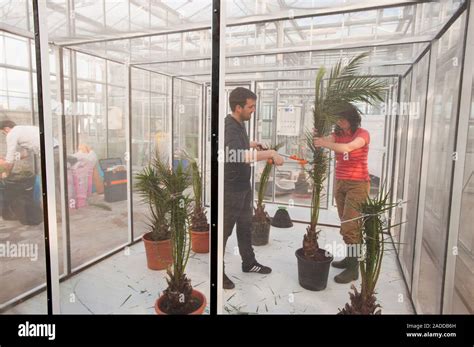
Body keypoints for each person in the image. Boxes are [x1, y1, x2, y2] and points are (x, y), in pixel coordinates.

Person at [223, 87, 284, 290]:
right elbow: (235, 155)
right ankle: (217, 271)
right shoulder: (230, 126)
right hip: (231, 190)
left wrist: (252, 144)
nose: (253, 110)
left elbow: (239, 147)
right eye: (251, 107)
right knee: (223, 231)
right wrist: (270, 154)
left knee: (245, 227)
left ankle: (248, 263)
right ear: (238, 107)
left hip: (243, 186)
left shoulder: (239, 124)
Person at [312, 103, 370, 284]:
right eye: (337, 119)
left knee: (351, 226)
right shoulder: (338, 134)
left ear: (351, 119)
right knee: (346, 222)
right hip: (341, 183)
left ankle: (354, 269)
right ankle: (350, 259)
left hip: (358, 184)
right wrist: (319, 138)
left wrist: (324, 143)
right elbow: (326, 140)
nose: (339, 121)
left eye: (342, 118)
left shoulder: (362, 134)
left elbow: (348, 148)